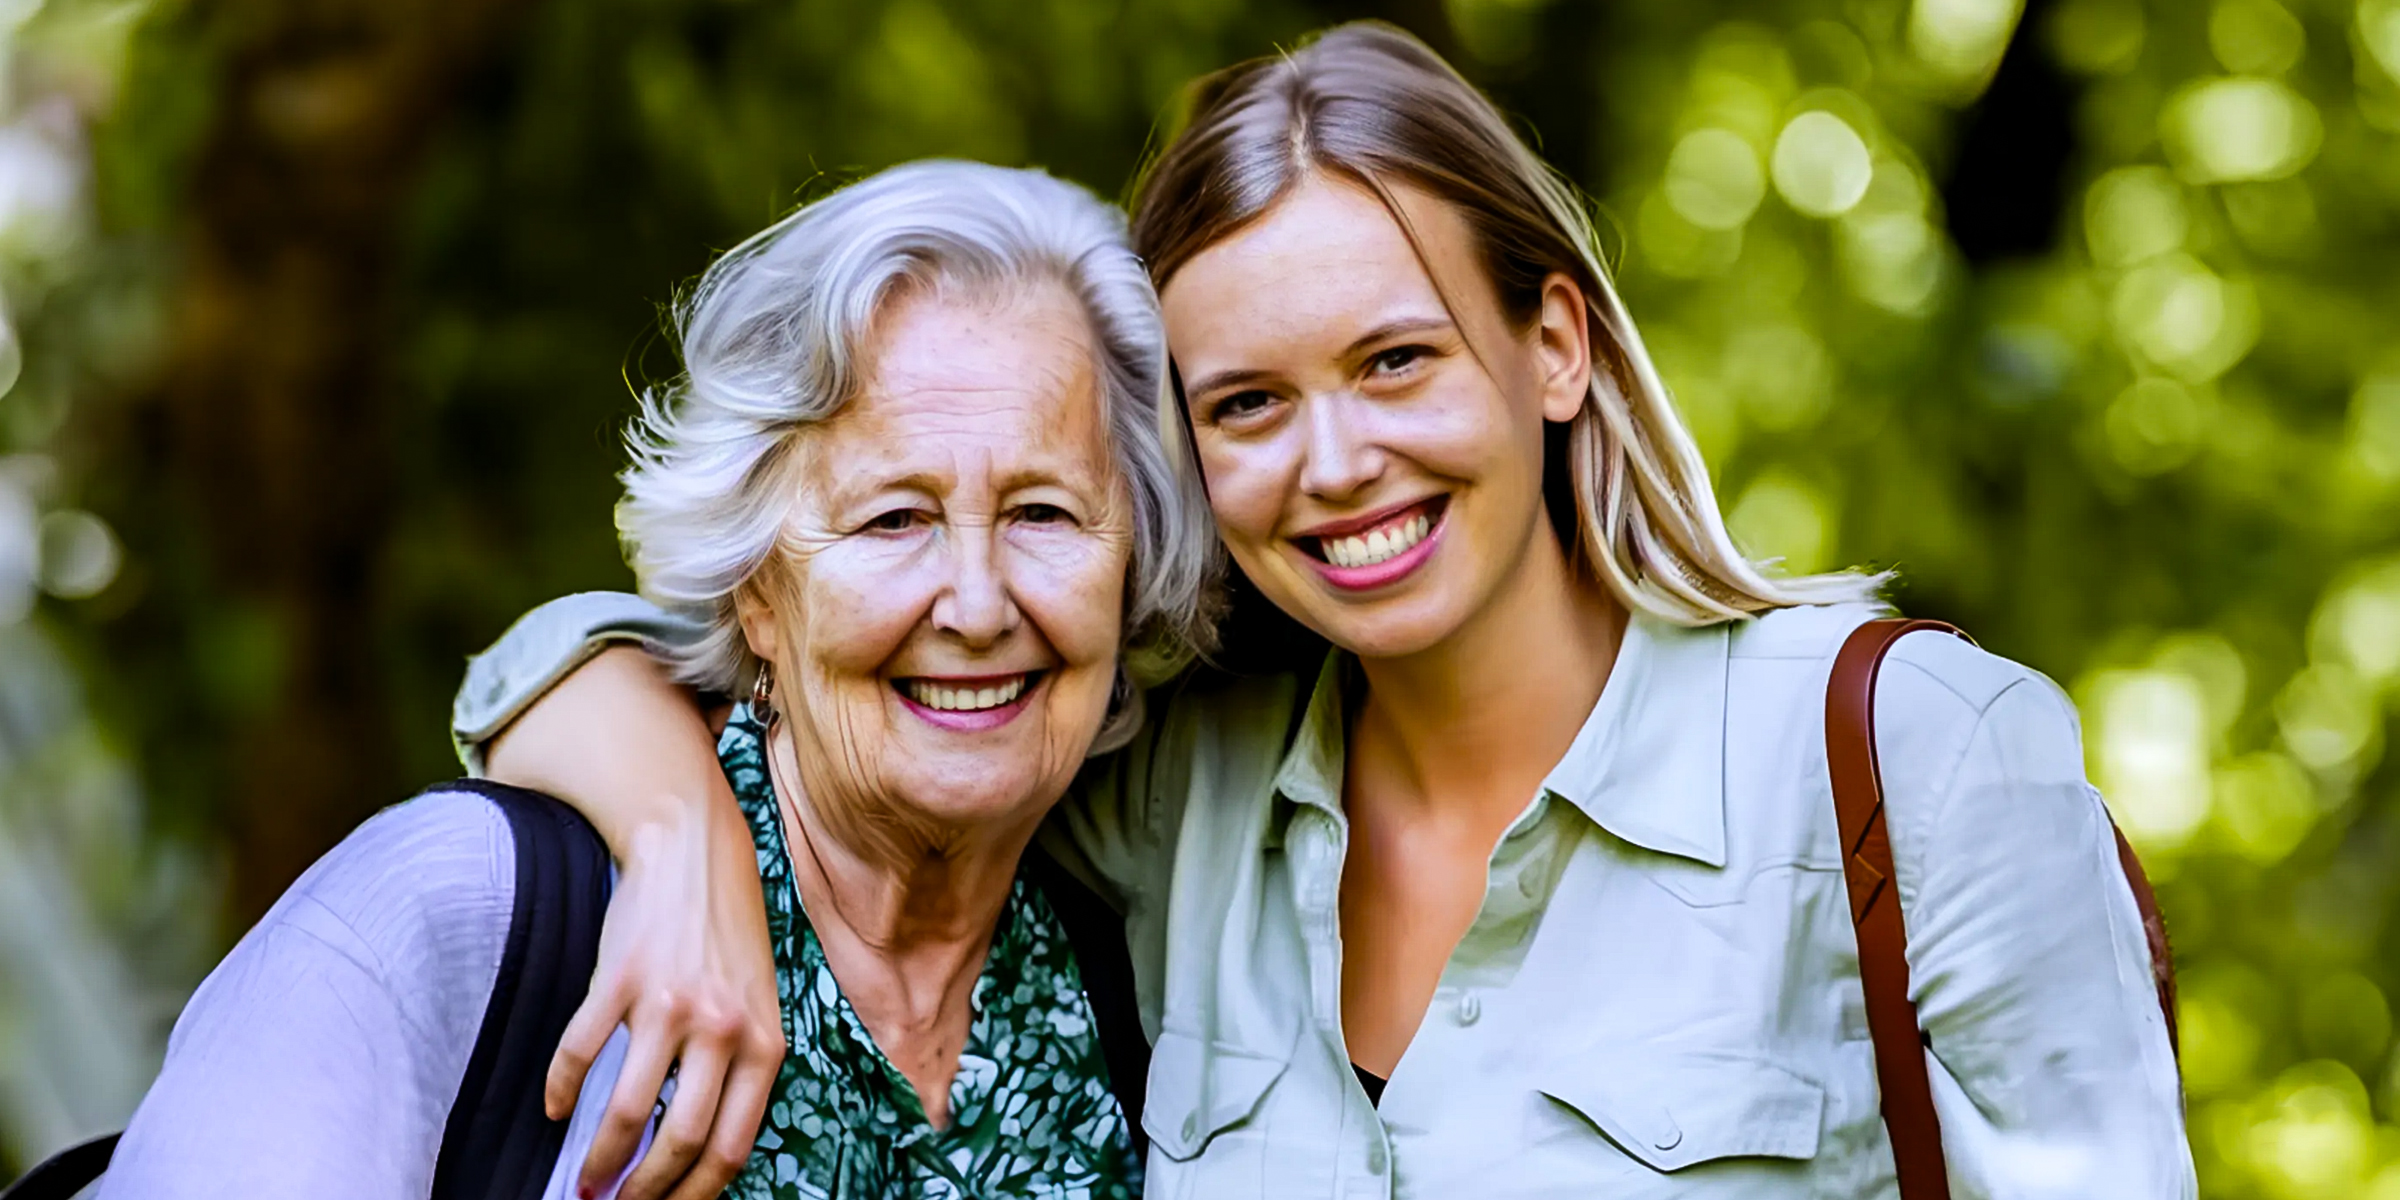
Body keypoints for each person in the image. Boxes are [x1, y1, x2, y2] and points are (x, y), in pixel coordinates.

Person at [466, 23, 2194, 1197]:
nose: (1337, 462)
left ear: (1556, 346)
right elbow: (581, 671)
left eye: (1395, 361)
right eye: (1246, 406)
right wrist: (685, 852)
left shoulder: (1909, 753)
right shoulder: (1171, 794)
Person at [101, 159, 1214, 1200]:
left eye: (1043, 513)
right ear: (759, 596)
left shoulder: (1152, 985)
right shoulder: (459, 911)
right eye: (895, 518)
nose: (977, 605)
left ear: (1131, 566)